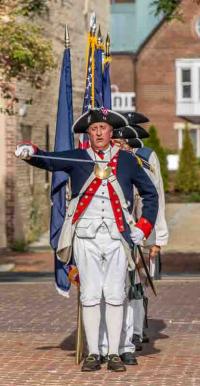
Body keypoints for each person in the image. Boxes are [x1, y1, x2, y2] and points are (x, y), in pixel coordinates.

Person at [15, 107, 158, 372]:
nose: (98, 133)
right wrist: (29, 151)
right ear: (88, 134)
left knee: (116, 294)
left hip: (117, 236)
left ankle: (114, 353)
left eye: (102, 128)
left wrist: (144, 226)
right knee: (91, 294)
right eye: (93, 129)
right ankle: (94, 353)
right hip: (85, 236)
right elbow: (49, 159)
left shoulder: (127, 161)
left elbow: (150, 194)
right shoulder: (78, 157)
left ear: (111, 131)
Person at [100, 118, 168, 365]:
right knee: (116, 286)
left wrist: (157, 238)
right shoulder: (106, 160)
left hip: (140, 229)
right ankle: (113, 338)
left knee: (136, 282)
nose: (117, 144)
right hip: (113, 231)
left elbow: (155, 195)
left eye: (120, 140)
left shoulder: (144, 159)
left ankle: (135, 331)